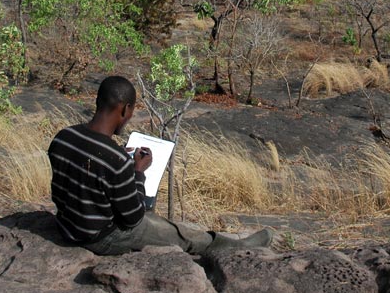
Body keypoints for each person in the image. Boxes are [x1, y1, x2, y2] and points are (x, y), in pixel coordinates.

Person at [48, 75, 272, 256]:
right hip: (100, 238)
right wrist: (137, 173)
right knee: (180, 234)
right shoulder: (116, 162)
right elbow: (133, 219)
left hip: (67, 227)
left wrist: (118, 161)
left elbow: (74, 180)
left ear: (98, 101)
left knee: (156, 222)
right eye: (131, 112)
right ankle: (239, 248)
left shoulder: (62, 137)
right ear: (126, 110)